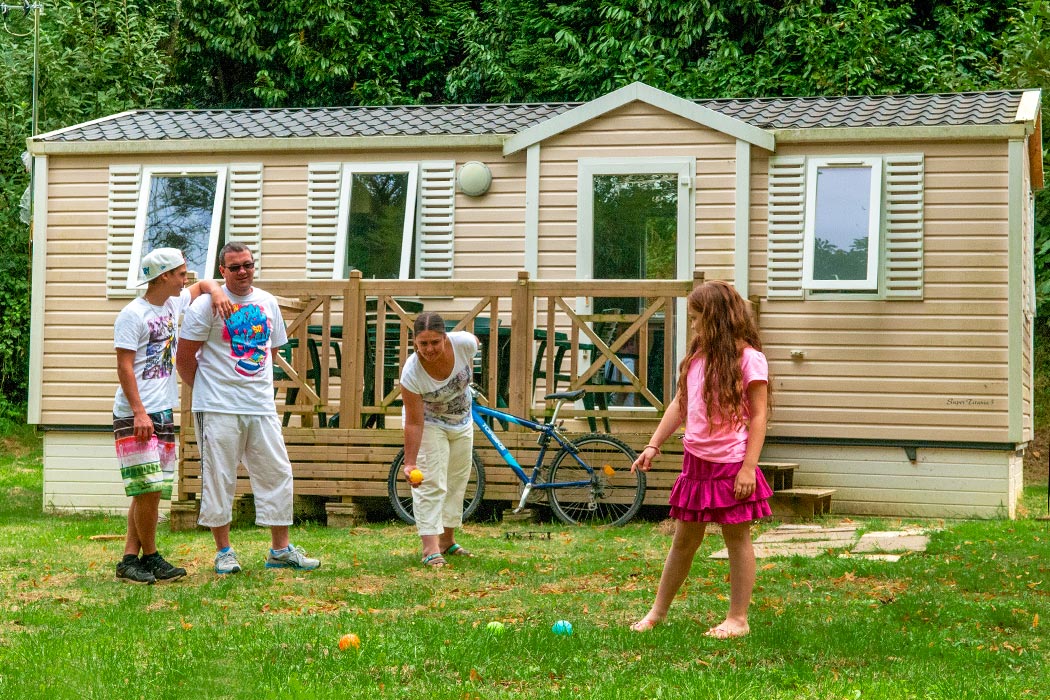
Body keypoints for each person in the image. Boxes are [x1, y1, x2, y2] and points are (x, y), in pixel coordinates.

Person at [630, 280, 773, 638]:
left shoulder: (748, 359)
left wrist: (748, 468)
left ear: (716, 319)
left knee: (736, 540)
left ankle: (738, 620)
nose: (692, 326)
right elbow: (681, 404)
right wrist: (653, 444)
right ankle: (657, 613)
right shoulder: (697, 358)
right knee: (683, 541)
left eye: (696, 318)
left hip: (731, 465)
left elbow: (758, 416)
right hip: (695, 463)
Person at [175, 242, 320, 575]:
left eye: (248, 265)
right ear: (222, 271)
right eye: (235, 267)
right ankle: (224, 551)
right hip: (218, 406)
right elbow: (184, 358)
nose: (243, 271)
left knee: (277, 472)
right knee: (219, 476)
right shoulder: (205, 307)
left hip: (260, 405)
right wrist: (209, 391)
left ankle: (280, 550)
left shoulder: (267, 303)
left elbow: (268, 351)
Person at [113, 247, 232, 584]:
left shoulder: (172, 303)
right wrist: (139, 412)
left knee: (148, 489)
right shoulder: (131, 314)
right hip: (136, 414)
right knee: (147, 486)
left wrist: (217, 290)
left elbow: (205, 284)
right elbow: (124, 367)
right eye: (181, 273)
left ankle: (129, 561)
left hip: (162, 411)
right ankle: (148, 557)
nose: (186, 279)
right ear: (163, 276)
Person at [399, 312, 480, 567]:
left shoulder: (465, 343)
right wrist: (410, 463)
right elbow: (414, 421)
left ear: (445, 338)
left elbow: (476, 348)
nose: (429, 349)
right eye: (423, 344)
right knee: (432, 481)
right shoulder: (411, 374)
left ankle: (447, 541)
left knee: (457, 479)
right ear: (415, 343)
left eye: (435, 342)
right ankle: (430, 549)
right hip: (430, 424)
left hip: (463, 420)